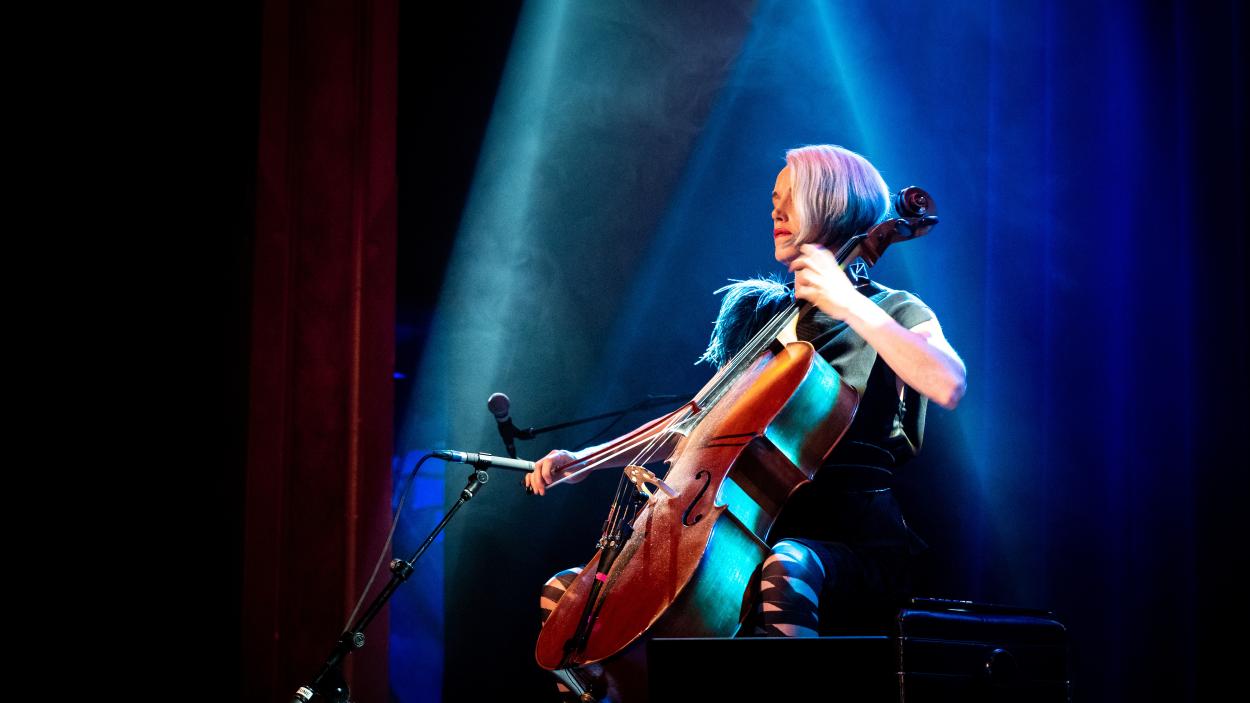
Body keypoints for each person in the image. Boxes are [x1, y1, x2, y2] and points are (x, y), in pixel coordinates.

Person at [525, 144, 965, 696]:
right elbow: (700, 428)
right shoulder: (769, 323)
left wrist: (849, 303)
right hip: (748, 535)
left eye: (791, 201)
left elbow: (947, 381)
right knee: (568, 599)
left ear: (831, 205)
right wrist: (585, 462)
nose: (776, 214)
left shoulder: (894, 310)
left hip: (853, 541)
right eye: (773, 203)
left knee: (789, 568)